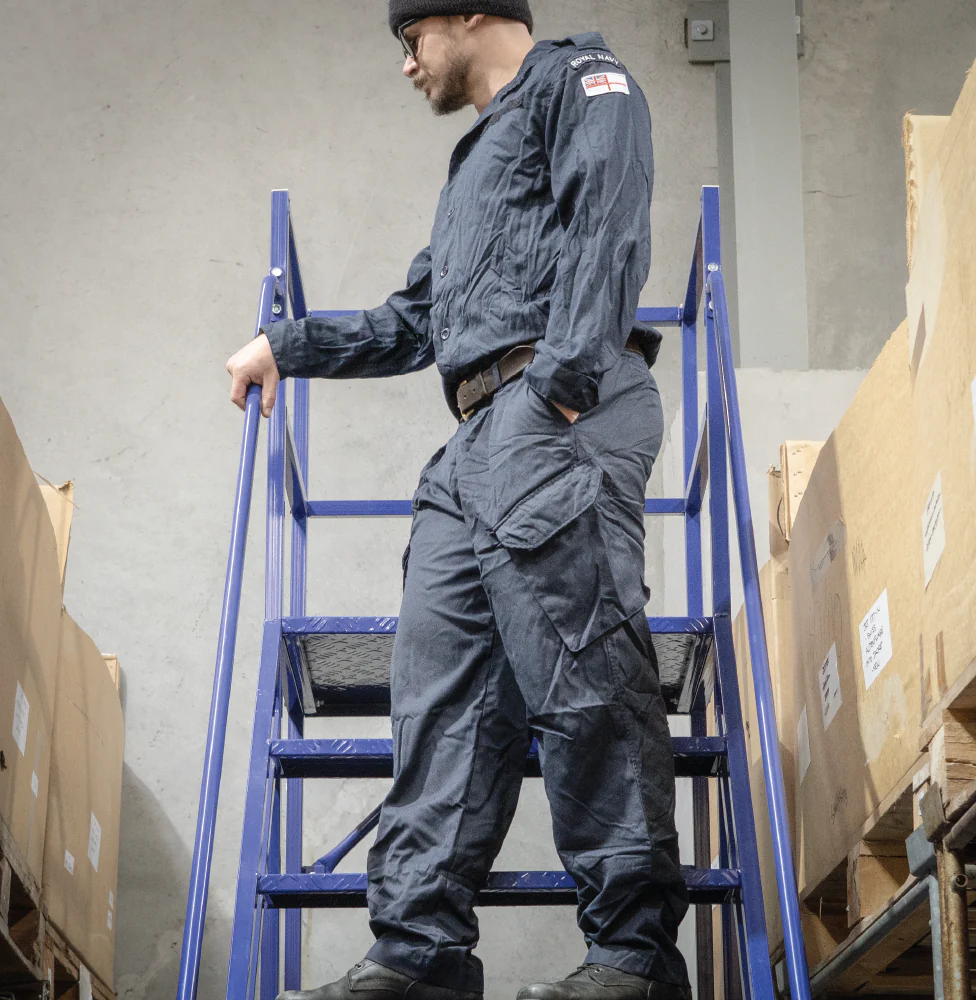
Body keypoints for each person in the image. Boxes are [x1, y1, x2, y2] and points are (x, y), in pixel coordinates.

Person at [226, 4, 691, 1000]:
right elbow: (413, 322)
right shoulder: (473, 165)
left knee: (583, 671)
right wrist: (288, 346)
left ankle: (634, 958)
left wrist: (558, 390)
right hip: (473, 437)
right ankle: (419, 952)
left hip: (556, 405)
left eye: (410, 41)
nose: (406, 66)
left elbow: (610, 225)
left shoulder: (580, 82)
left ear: (469, 14)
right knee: (436, 702)